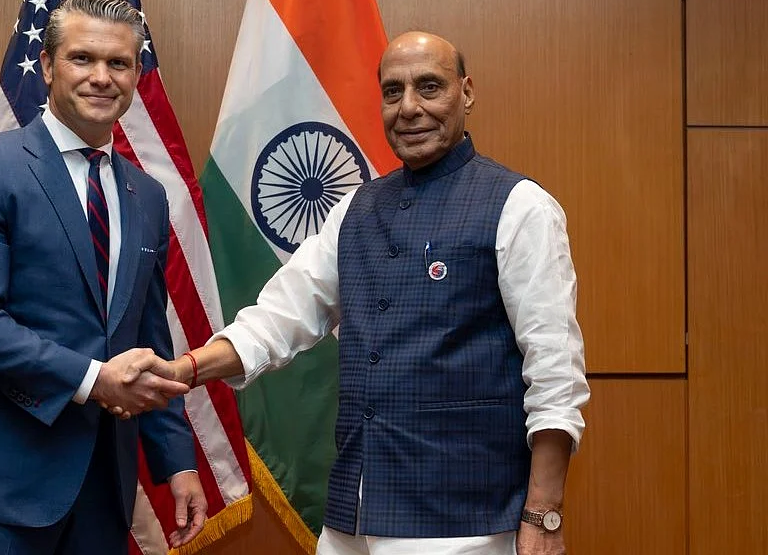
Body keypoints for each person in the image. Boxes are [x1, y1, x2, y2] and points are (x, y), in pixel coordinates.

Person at [119, 32, 590, 555]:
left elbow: (554, 375)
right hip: (351, 519)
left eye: (429, 87)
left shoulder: (521, 207)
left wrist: (543, 515)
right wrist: (184, 369)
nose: (409, 108)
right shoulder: (354, 210)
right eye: (393, 92)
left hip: (466, 524)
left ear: (467, 93)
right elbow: (276, 321)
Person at [0, 0, 206, 555]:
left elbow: (147, 341)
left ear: (137, 74)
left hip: (102, 490)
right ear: (45, 65)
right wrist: (94, 379)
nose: (101, 77)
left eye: (118, 63)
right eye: (82, 58)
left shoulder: (148, 198)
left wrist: (177, 463)